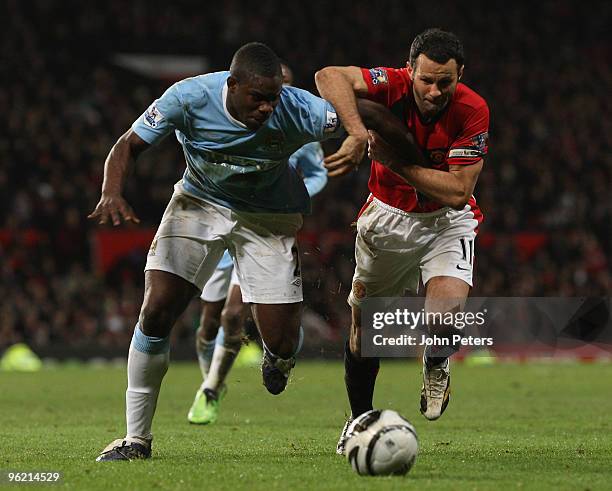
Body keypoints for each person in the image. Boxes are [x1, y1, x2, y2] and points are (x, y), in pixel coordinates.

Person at [89, 42, 341, 461]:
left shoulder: (300, 108)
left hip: (269, 218)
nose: (265, 108)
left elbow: (358, 115)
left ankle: (277, 359)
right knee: (155, 311)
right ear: (233, 84)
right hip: (198, 204)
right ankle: (136, 439)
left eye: (272, 98)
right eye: (257, 98)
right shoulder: (188, 97)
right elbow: (128, 144)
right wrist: (111, 191)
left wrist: (357, 139)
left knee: (280, 340)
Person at [315, 28, 489, 454]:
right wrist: (356, 132)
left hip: (447, 221)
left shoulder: (473, 110)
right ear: (410, 69)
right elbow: (327, 76)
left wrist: (394, 162)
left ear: (460, 74)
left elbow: (457, 191)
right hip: (387, 220)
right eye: (425, 80)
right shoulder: (390, 84)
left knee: (445, 317)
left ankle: (436, 360)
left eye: (444, 82)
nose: (433, 91)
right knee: (363, 335)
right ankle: (358, 421)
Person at [188, 62, 329, 426]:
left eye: (278, 92)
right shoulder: (230, 122)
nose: (269, 101)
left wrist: (293, 195)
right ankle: (213, 383)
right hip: (220, 219)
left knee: (233, 315)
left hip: (261, 226)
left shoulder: (299, 127)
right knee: (207, 323)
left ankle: (210, 389)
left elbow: (317, 174)